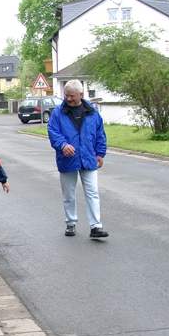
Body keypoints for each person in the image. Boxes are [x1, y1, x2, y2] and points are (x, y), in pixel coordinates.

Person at [47, 79, 109, 238]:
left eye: (72, 96)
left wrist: (100, 153)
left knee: (92, 192)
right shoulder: (58, 113)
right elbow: (53, 131)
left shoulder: (92, 112)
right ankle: (71, 223)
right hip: (67, 158)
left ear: (81, 95)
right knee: (69, 194)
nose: (68, 99)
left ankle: (96, 226)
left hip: (88, 158)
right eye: (66, 95)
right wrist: (62, 145)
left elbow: (100, 134)